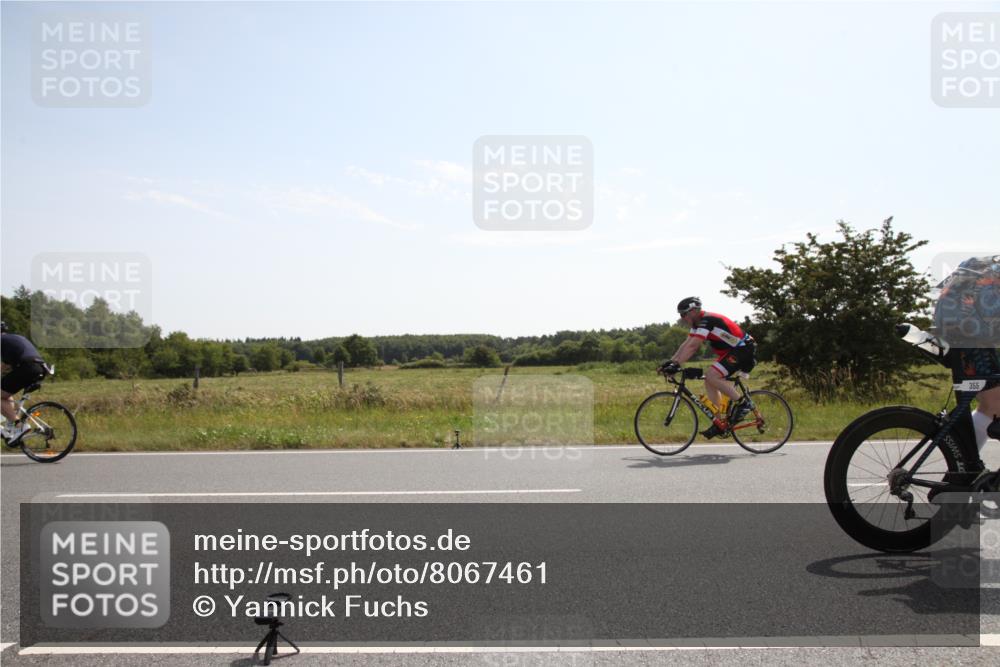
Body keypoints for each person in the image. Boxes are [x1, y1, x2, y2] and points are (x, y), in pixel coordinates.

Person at [659, 297, 757, 438]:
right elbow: (686, 344)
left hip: (743, 348)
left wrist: (677, 365)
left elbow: (694, 347)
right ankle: (718, 423)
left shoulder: (707, 321)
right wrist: (671, 362)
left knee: (712, 375)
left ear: (693, 311)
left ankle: (743, 404)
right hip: (732, 351)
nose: (682, 318)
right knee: (709, 380)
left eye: (683, 314)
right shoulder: (698, 324)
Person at [932, 256, 1000, 460]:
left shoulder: (990, 268)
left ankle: (964, 467)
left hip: (966, 337)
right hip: (970, 339)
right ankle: (962, 470)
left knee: (992, 405)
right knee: (994, 402)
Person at [1, 321, 49, 442]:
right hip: (40, 367)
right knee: (5, 393)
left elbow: (4, 365)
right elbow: (6, 366)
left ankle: (19, 425)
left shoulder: (1, 341)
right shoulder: (14, 338)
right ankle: (10, 426)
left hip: (27, 367)